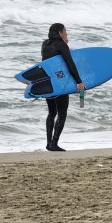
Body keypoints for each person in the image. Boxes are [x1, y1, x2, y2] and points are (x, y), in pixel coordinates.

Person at [41, 23, 85, 151]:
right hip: (60, 83)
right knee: (62, 113)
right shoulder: (61, 45)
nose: (67, 34)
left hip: (48, 83)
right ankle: (54, 143)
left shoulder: (45, 44)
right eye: (65, 32)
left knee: (51, 112)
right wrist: (79, 82)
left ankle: (49, 143)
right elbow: (70, 64)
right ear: (60, 33)